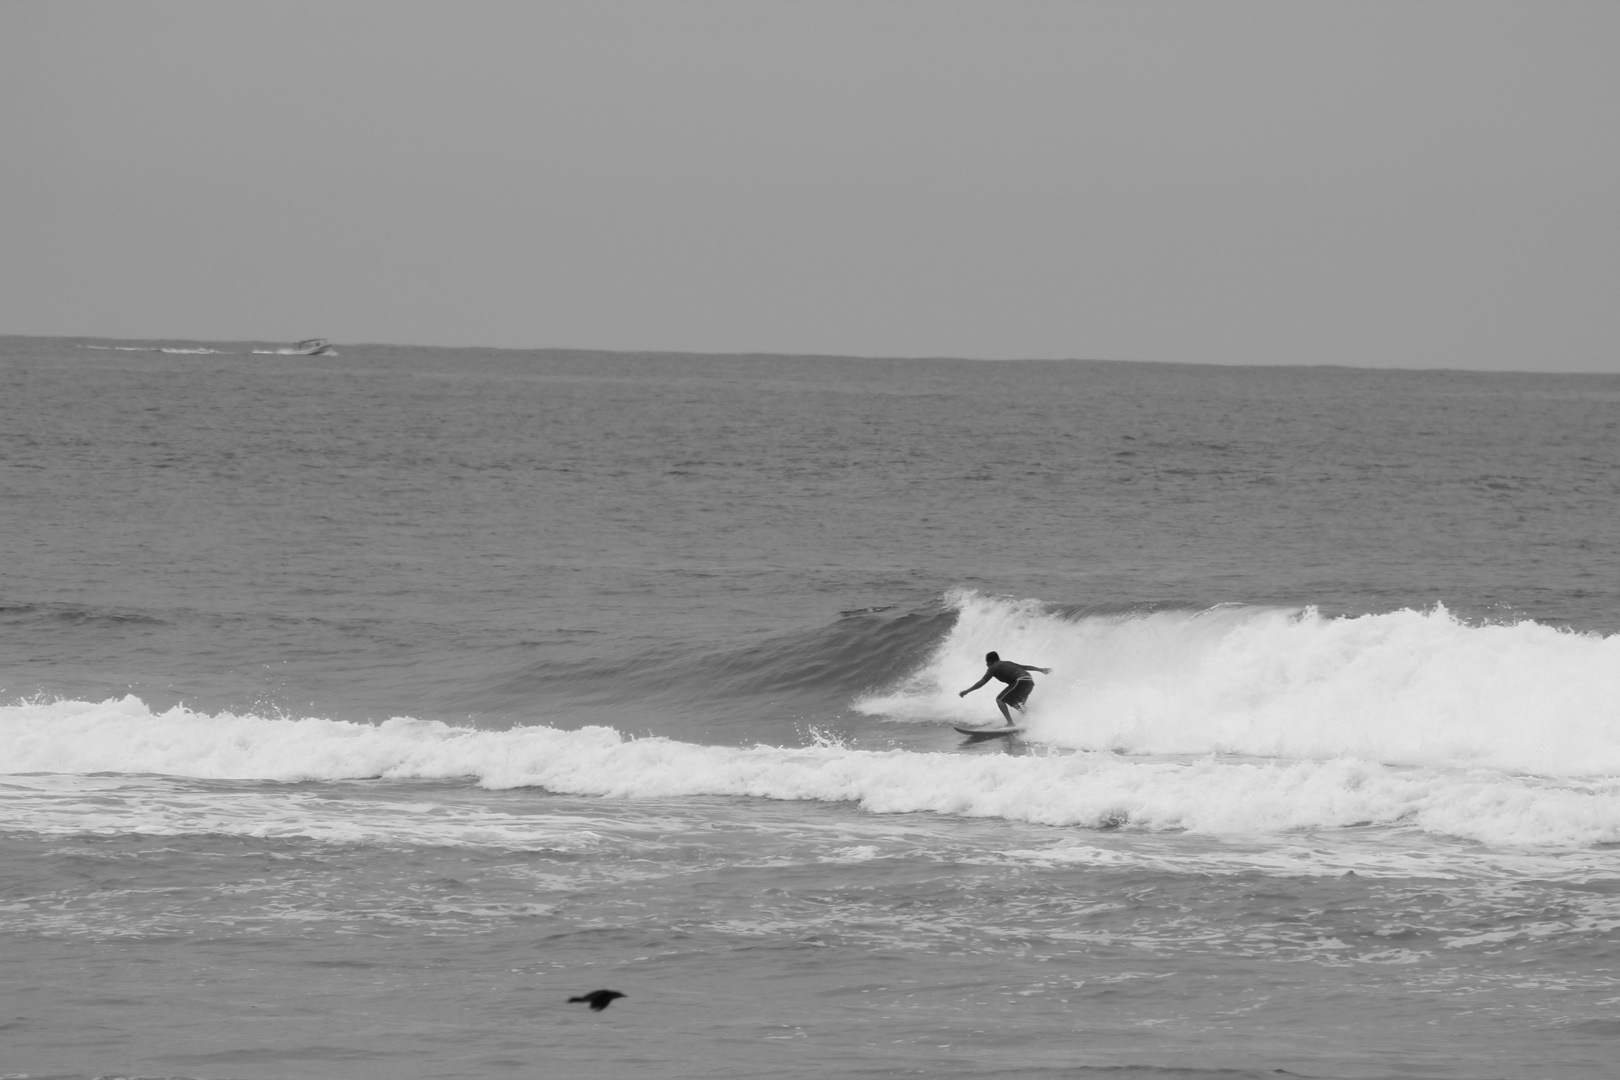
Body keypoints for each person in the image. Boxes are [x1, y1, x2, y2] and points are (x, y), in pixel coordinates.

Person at [959, 651, 1051, 725]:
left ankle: (1010, 723)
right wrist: (1040, 669)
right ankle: (1034, 722)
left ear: (990, 661)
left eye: (987, 662)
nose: (986, 664)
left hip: (1021, 681)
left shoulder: (993, 667)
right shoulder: (1008, 663)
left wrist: (967, 691)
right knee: (1018, 705)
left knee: (1000, 700)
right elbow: (1025, 667)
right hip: (1029, 682)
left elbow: (982, 682)